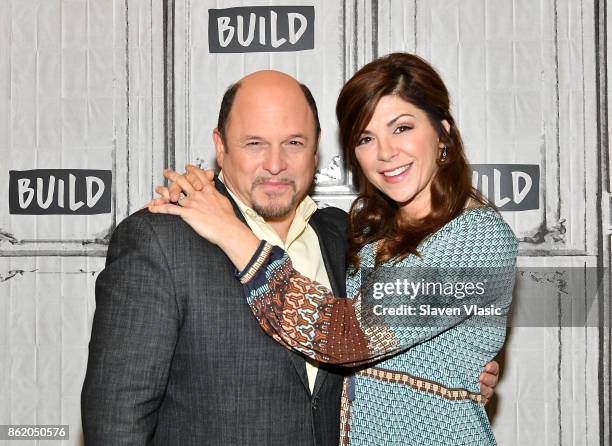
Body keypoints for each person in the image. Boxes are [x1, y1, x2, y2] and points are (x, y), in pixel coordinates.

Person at [148, 54, 516, 445]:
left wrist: (230, 230)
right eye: (366, 138)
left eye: (402, 128)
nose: (385, 153)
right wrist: (196, 200)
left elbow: (344, 337)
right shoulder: (366, 230)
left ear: (442, 132)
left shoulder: (479, 239)